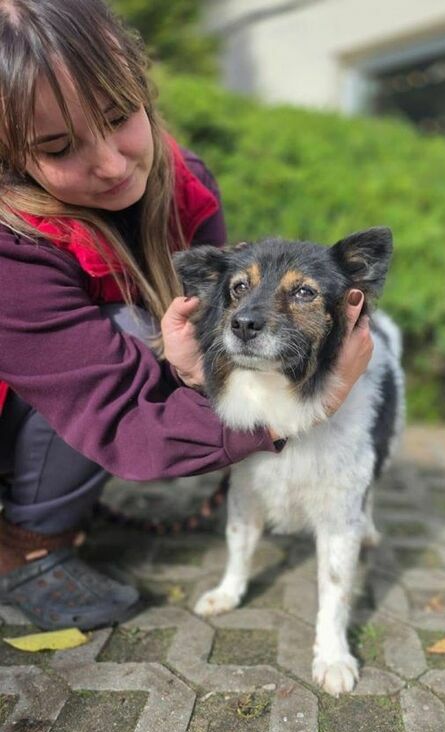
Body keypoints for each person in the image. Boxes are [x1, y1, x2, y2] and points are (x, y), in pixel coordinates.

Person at [0, 0, 374, 631]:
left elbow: (207, 336)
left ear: (143, 90)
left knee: (147, 332)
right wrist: (314, 402)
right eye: (59, 146)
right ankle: (27, 545)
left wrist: (193, 371)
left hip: (78, 416)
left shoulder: (186, 185)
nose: (112, 164)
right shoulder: (11, 246)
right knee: (127, 327)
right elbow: (123, 420)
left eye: (119, 116)